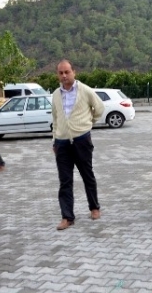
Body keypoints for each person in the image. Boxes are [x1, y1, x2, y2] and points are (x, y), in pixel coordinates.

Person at [52, 59, 105, 230]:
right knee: (65, 180)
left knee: (87, 175)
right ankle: (67, 217)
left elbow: (99, 108)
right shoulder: (55, 95)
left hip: (81, 140)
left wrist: (88, 123)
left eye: (67, 72)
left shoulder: (85, 90)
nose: (64, 75)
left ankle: (94, 207)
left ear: (74, 72)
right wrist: (54, 140)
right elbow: (55, 119)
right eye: (61, 73)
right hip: (62, 143)